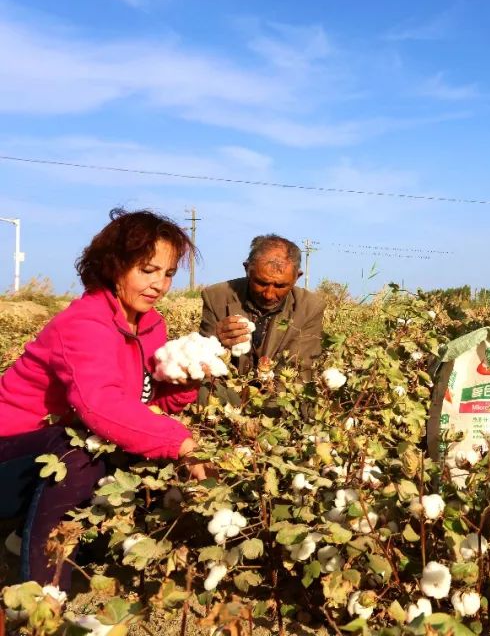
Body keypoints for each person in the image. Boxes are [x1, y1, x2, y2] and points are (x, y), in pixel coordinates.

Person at [0, 209, 207, 588]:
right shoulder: (84, 323)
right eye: (147, 269)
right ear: (114, 265)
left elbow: (145, 404)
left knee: (112, 445)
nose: (159, 284)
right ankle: (42, 600)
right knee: (76, 451)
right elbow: (101, 405)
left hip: (41, 459)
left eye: (168, 273)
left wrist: (181, 382)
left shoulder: (149, 325)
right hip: (10, 453)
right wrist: (181, 442)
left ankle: (29, 536)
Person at [200, 235, 325, 378]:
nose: (269, 295)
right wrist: (217, 341)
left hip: (278, 394)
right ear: (247, 269)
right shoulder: (216, 298)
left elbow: (298, 373)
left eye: (280, 286)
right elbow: (201, 365)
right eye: (261, 283)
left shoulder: (310, 308)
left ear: (297, 277)